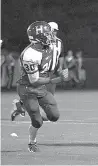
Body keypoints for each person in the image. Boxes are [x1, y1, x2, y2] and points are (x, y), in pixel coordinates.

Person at [15, 21, 69, 152]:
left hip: (41, 86)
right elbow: (34, 81)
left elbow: (53, 64)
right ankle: (32, 142)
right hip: (27, 89)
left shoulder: (48, 47)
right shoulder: (30, 54)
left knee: (54, 116)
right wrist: (56, 79)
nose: (51, 36)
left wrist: (61, 72)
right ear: (38, 37)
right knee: (37, 122)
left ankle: (24, 108)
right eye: (48, 34)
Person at [11, 21, 63, 121]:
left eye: (55, 31)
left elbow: (58, 57)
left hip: (51, 70)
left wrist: (59, 68)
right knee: (36, 90)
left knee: (48, 93)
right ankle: (34, 111)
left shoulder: (58, 42)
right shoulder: (38, 46)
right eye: (52, 31)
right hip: (42, 71)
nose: (53, 33)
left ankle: (22, 105)